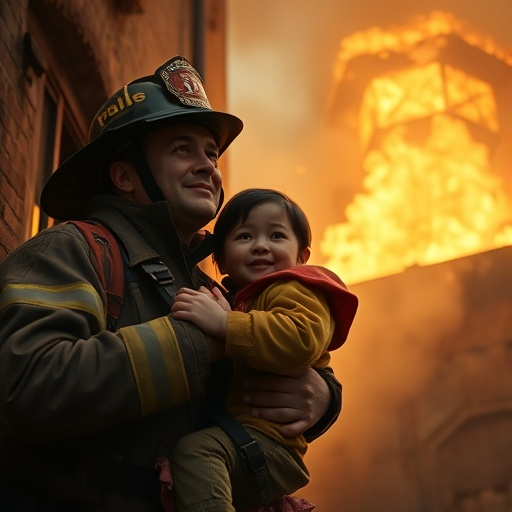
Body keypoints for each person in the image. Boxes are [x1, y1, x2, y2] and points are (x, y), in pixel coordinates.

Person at [0, 57, 343, 511]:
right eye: (183, 149)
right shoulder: (72, 251)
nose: (207, 166)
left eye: (211, 153)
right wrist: (200, 343)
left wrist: (322, 397)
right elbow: (25, 386)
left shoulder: (216, 289)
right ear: (125, 176)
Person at [169, 188, 359, 511]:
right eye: (244, 237)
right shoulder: (237, 299)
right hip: (244, 438)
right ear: (222, 260)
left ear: (302, 256)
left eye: (276, 235)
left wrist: (225, 324)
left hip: (268, 444)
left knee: (196, 453)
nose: (260, 245)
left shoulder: (296, 288)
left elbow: (300, 339)